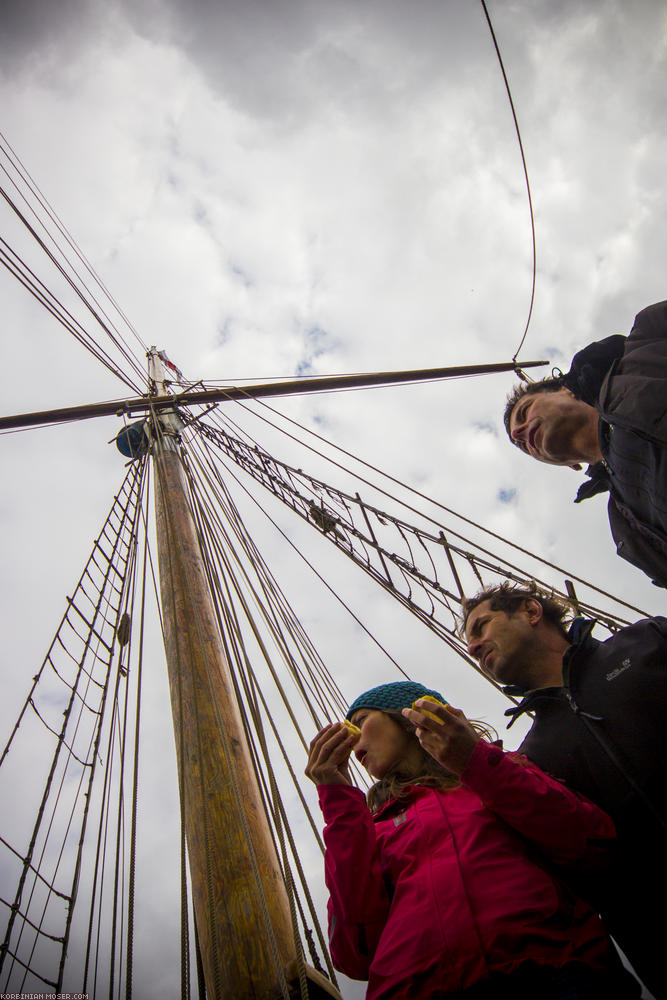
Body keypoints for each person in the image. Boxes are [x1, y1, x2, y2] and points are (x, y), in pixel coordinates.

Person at [305, 679, 639, 999]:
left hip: (556, 973)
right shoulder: (369, 827)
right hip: (416, 989)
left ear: (406, 716)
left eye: (361, 721)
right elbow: (355, 953)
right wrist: (339, 803)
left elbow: (590, 841)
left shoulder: (498, 771)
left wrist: (474, 760)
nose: (350, 739)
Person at [462, 581, 667, 998]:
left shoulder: (646, 644)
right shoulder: (533, 760)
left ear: (531, 612)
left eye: (482, 625)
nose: (474, 645)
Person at [503, 299, 667, 587]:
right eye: (521, 446)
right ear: (571, 466)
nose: (520, 435)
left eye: (524, 412)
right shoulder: (627, 530)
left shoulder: (645, 346)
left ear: (565, 391)